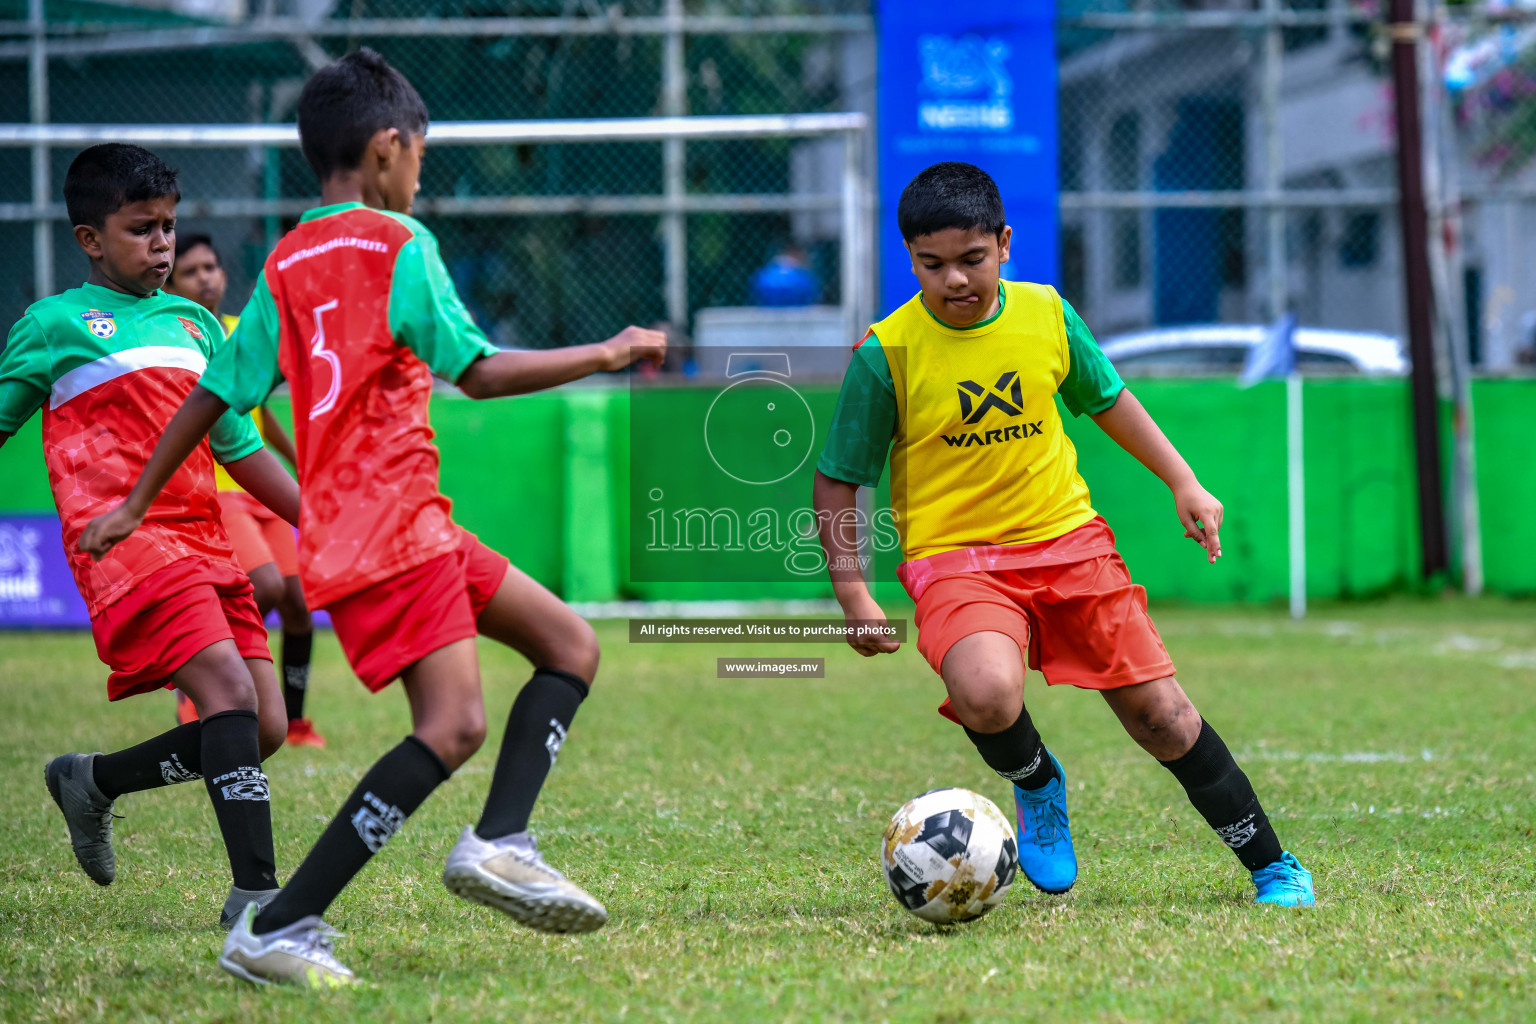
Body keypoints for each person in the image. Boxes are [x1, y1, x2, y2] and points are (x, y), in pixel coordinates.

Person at [79, 49, 667, 988]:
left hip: (365, 531)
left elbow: (213, 398)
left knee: (569, 645)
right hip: (396, 527)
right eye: (421, 156)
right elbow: (474, 370)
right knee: (453, 726)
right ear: (390, 148)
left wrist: (134, 503)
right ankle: (281, 920)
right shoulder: (401, 244)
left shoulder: (284, 259)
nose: (420, 175)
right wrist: (607, 349)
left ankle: (503, 837)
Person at [812, 162, 1315, 908]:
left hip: (1067, 542)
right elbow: (837, 478)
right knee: (985, 694)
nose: (954, 279)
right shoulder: (885, 354)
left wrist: (1182, 480)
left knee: (1164, 719)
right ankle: (1038, 783)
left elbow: (1107, 399)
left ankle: (1274, 866)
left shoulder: (1047, 315)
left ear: (1005, 243)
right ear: (909, 258)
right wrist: (854, 593)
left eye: (971, 259)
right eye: (932, 264)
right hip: (958, 561)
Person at [0, 144, 298, 928]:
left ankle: (92, 781)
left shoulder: (199, 325)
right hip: (125, 548)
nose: (163, 245)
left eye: (168, 227)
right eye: (142, 229)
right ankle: (258, 903)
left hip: (207, 540)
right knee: (227, 697)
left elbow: (239, 448)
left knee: (262, 727)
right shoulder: (52, 326)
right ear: (90, 240)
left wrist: (325, 519)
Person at [166, 233, 323, 747]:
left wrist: (301, 463)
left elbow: (260, 412)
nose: (205, 276)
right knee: (269, 588)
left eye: (211, 266)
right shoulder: (168, 335)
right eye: (191, 271)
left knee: (299, 603)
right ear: (171, 283)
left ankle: (296, 722)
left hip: (264, 488)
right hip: (220, 491)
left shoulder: (240, 331)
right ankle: (198, 680)